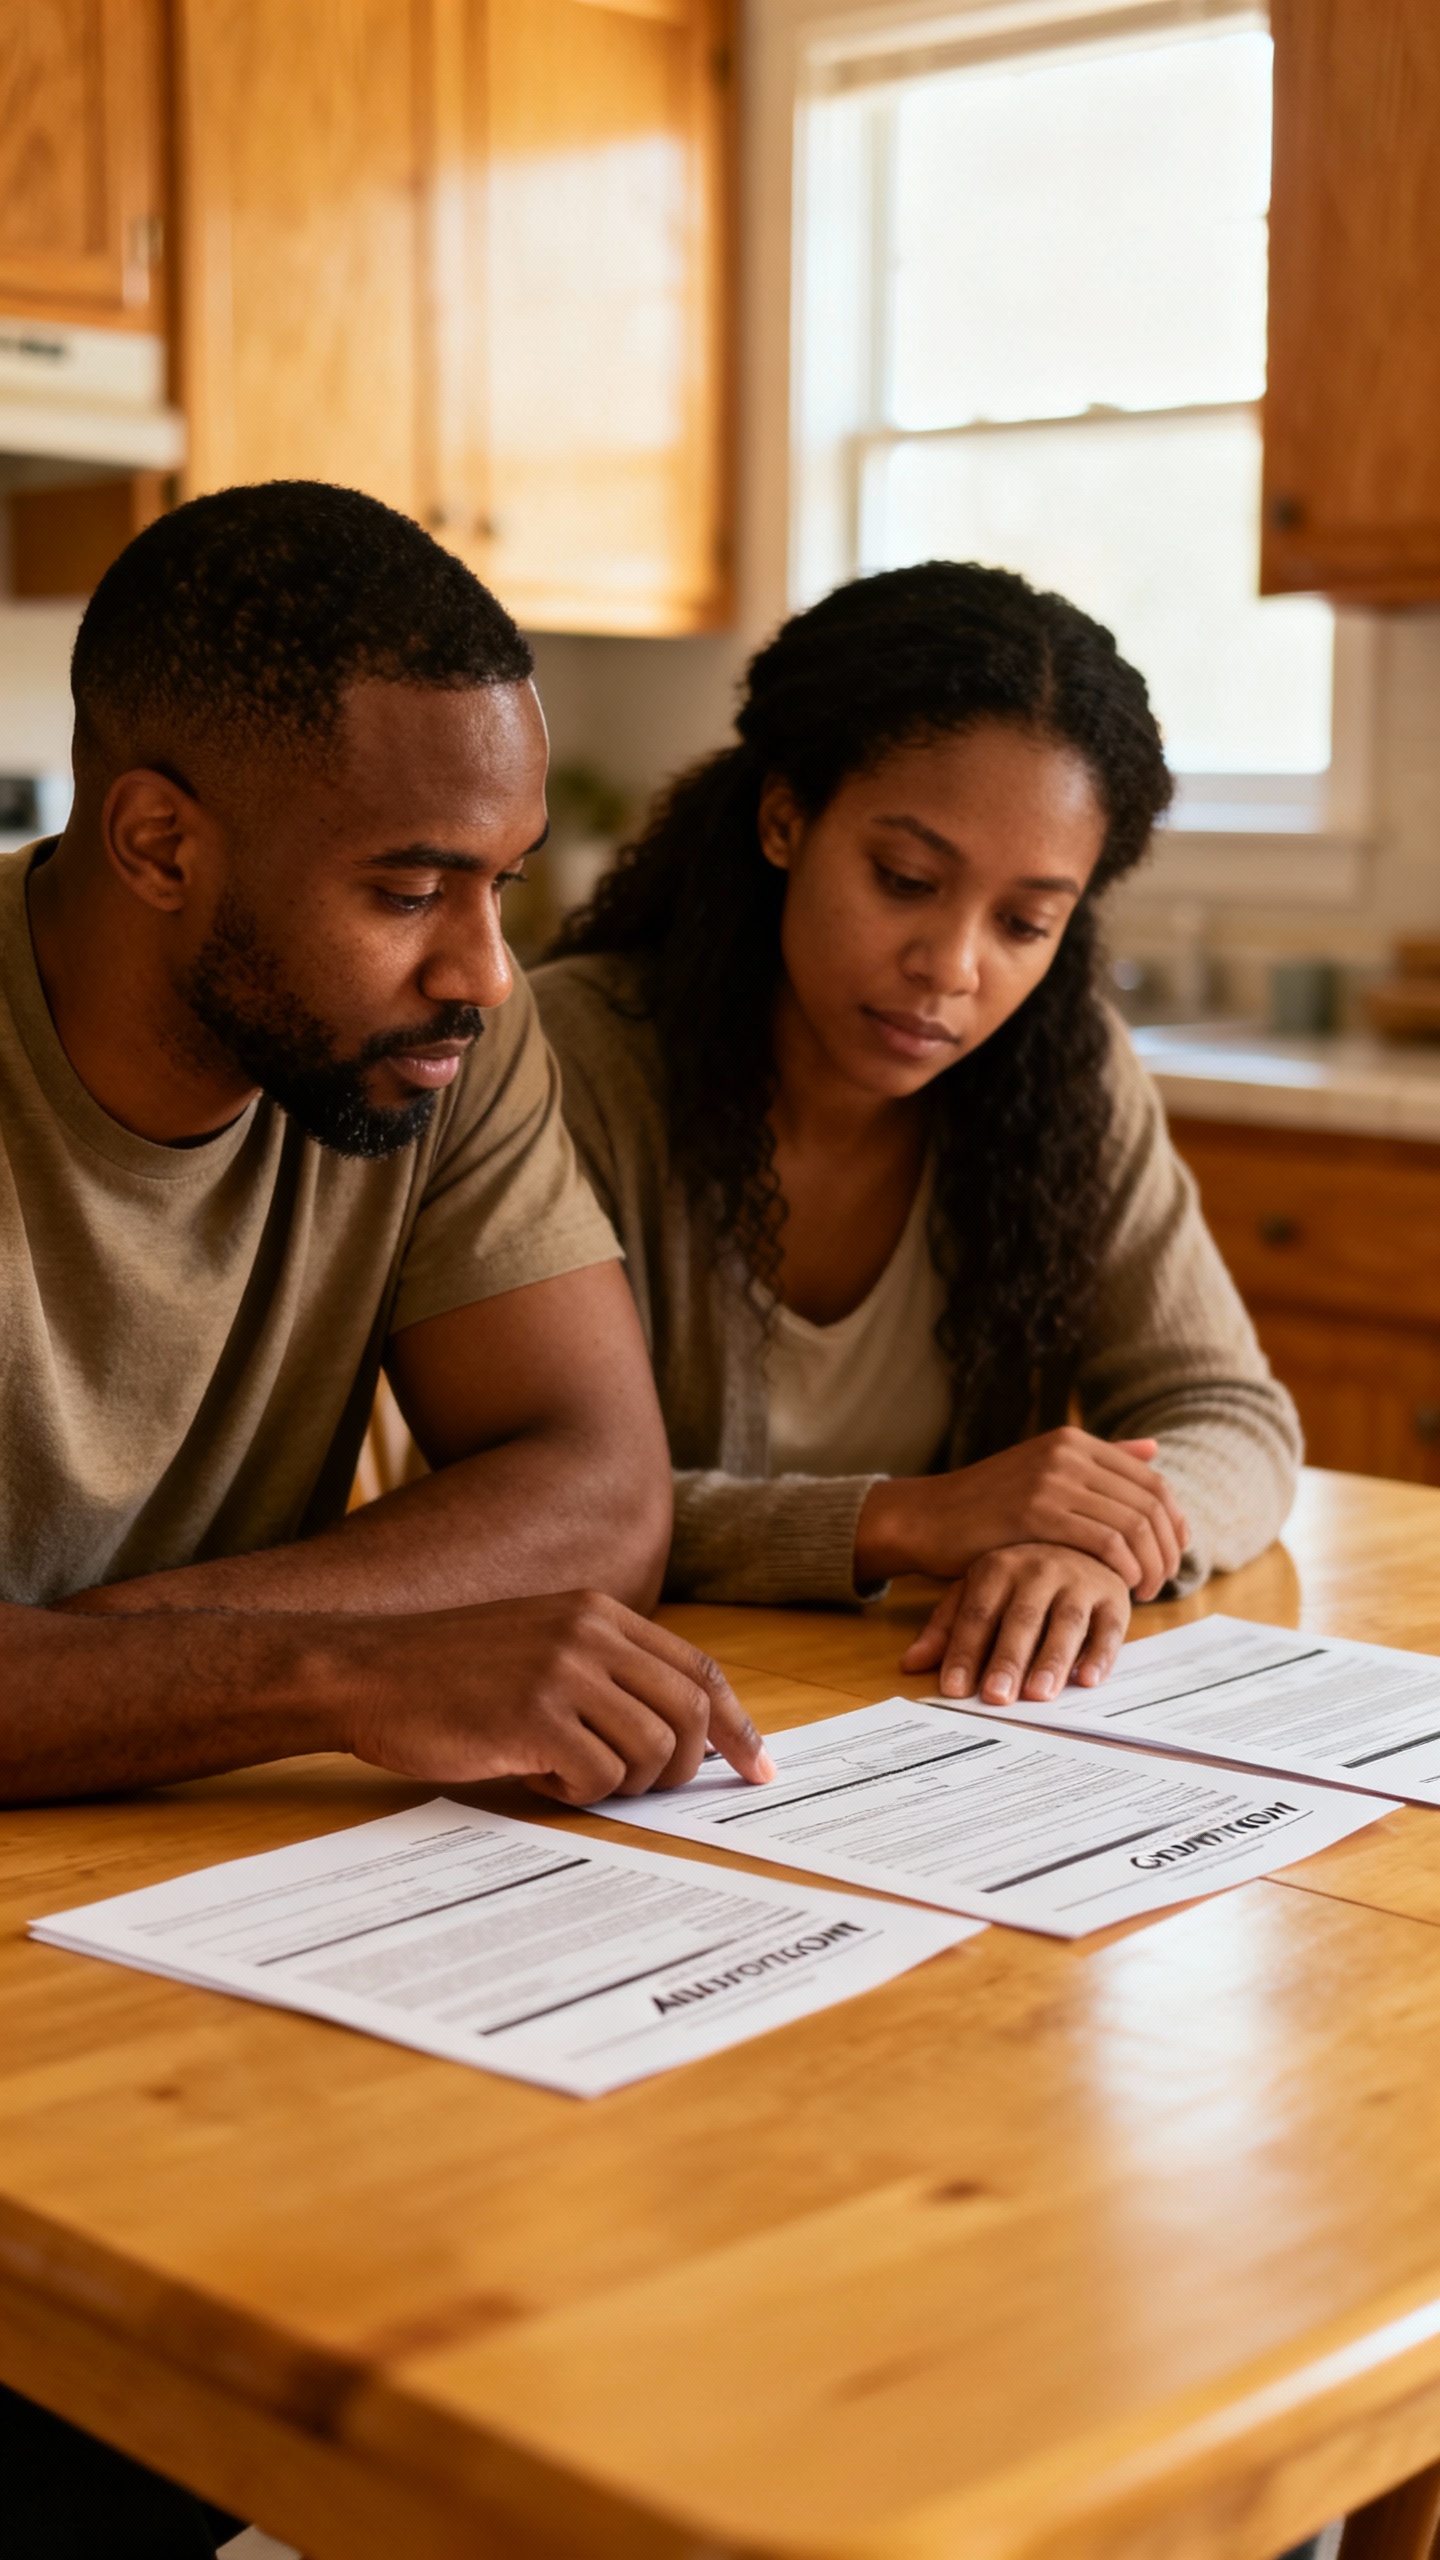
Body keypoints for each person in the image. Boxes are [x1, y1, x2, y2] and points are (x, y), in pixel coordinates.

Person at [1, 480, 767, 2558]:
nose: (484, 970)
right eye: (414, 883)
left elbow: (593, 1488)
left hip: (205, 1929)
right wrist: (335, 1656)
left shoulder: (428, 1049)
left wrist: (95, 1675)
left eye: (505, 880)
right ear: (160, 843)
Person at [534, 562, 1301, 1708]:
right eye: (904, 879)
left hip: (937, 1723)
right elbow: (536, 1505)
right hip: (639, 1723)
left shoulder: (1068, 1071)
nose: (952, 968)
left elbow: (1228, 1413)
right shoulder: (569, 1060)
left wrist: (1092, 1544)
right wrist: (911, 1518)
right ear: (785, 818)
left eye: (1025, 921)